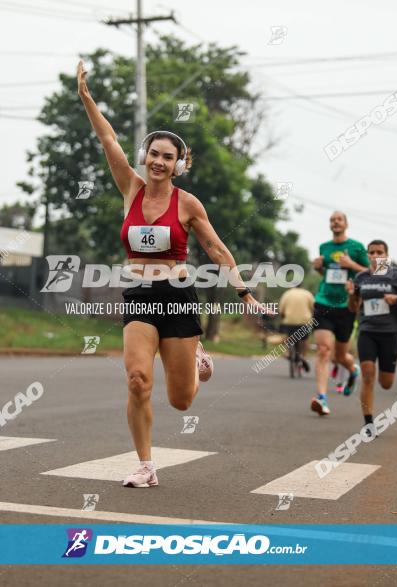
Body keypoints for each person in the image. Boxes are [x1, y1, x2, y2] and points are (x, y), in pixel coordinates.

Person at [77, 60, 272, 488]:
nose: (159, 162)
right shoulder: (129, 187)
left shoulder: (188, 205)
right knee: (137, 380)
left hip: (178, 296)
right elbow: (107, 139)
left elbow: (217, 250)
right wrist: (87, 99)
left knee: (181, 401)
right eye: (154, 154)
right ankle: (145, 465)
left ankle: (199, 355)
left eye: (169, 157)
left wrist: (245, 293)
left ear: (179, 164)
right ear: (145, 157)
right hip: (139, 295)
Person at [345, 240, 397, 433]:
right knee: (368, 376)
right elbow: (353, 307)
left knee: (386, 383)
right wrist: (352, 294)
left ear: (386, 255)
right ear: (368, 256)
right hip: (367, 331)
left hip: (390, 333)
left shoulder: (396, 275)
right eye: (372, 252)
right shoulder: (361, 277)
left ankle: (385, 374)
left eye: (379, 252)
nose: (376, 256)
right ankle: (368, 423)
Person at [309, 211, 369, 416]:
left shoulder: (357, 247)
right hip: (323, 302)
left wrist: (351, 265)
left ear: (346, 224)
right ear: (330, 225)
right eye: (332, 220)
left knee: (340, 355)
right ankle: (322, 398)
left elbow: (370, 273)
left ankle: (353, 370)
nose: (335, 222)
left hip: (347, 306)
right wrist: (318, 268)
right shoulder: (324, 248)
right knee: (324, 350)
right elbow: (326, 273)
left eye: (339, 219)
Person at [279, 286, 315, 373]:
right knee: (305, 339)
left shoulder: (287, 294)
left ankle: (287, 353)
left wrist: (283, 317)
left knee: (287, 336)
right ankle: (303, 356)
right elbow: (313, 308)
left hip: (290, 321)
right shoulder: (308, 294)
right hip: (304, 322)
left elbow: (281, 310)